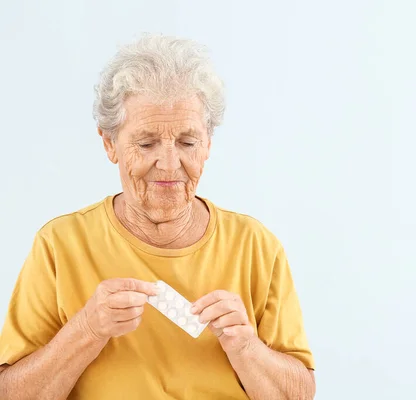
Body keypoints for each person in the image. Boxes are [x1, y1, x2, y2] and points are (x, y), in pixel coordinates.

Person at [0, 33, 315, 400]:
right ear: (109, 144)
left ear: (208, 144)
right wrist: (86, 330)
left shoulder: (256, 246)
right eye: (146, 143)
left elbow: (299, 394)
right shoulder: (59, 245)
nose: (168, 165)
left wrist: (246, 347)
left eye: (187, 142)